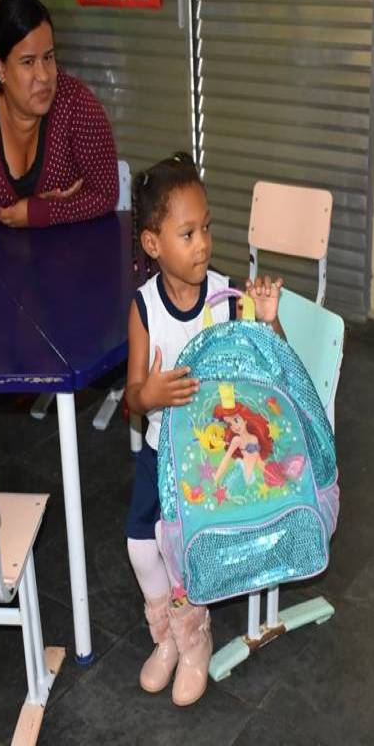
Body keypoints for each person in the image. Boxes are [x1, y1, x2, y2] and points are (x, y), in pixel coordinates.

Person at [122, 152, 283, 706]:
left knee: (184, 552)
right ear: (153, 244)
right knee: (140, 547)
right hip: (158, 453)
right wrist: (150, 395)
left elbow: (272, 366)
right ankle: (166, 635)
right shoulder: (144, 308)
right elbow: (132, 393)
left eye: (207, 228)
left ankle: (195, 643)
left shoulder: (226, 299)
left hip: (212, 464)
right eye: (187, 234)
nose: (203, 244)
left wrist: (269, 320)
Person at [0, 0, 118, 227]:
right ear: (1, 69)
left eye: (48, 57)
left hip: (72, 245)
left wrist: (41, 212)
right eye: (28, 62)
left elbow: (106, 194)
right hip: (0, 247)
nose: (44, 76)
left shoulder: (77, 105)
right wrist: (19, 212)